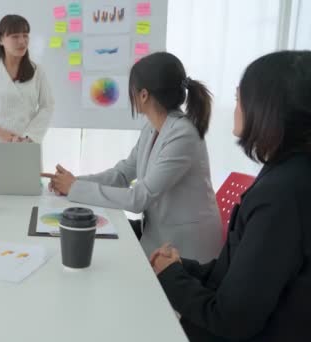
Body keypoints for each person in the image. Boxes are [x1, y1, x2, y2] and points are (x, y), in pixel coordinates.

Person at [152, 50, 311, 342]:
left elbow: (230, 319)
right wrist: (180, 268)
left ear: (269, 108)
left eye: (240, 97)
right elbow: (241, 275)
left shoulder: (282, 195)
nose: (236, 105)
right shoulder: (286, 173)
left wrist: (169, 276)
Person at [42, 52, 221, 262]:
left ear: (143, 95)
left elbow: (139, 198)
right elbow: (122, 173)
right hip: (160, 237)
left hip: (188, 248)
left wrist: (74, 188)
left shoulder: (183, 134)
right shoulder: (152, 128)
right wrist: (75, 181)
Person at [0, 14, 54, 143]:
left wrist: (29, 137)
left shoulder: (37, 71)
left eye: (25, 35)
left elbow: (47, 106)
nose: (22, 41)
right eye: (15, 36)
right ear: (1, 40)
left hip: (27, 144)